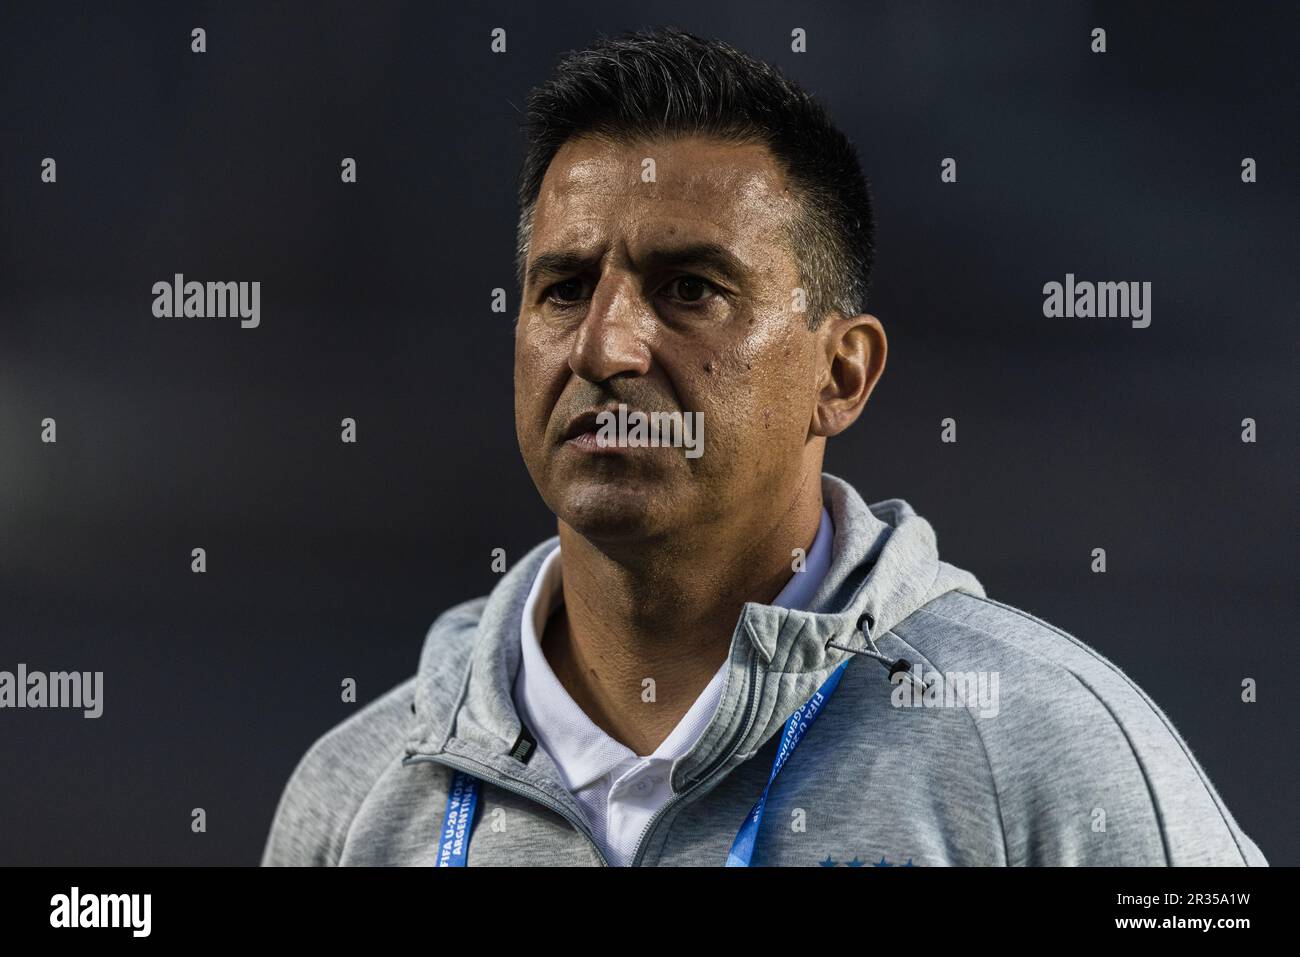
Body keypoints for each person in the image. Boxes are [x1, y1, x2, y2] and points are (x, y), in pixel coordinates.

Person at [261, 27, 1265, 867]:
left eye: (689, 288)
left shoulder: (1043, 749)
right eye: (564, 289)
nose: (605, 347)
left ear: (840, 376)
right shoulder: (360, 794)